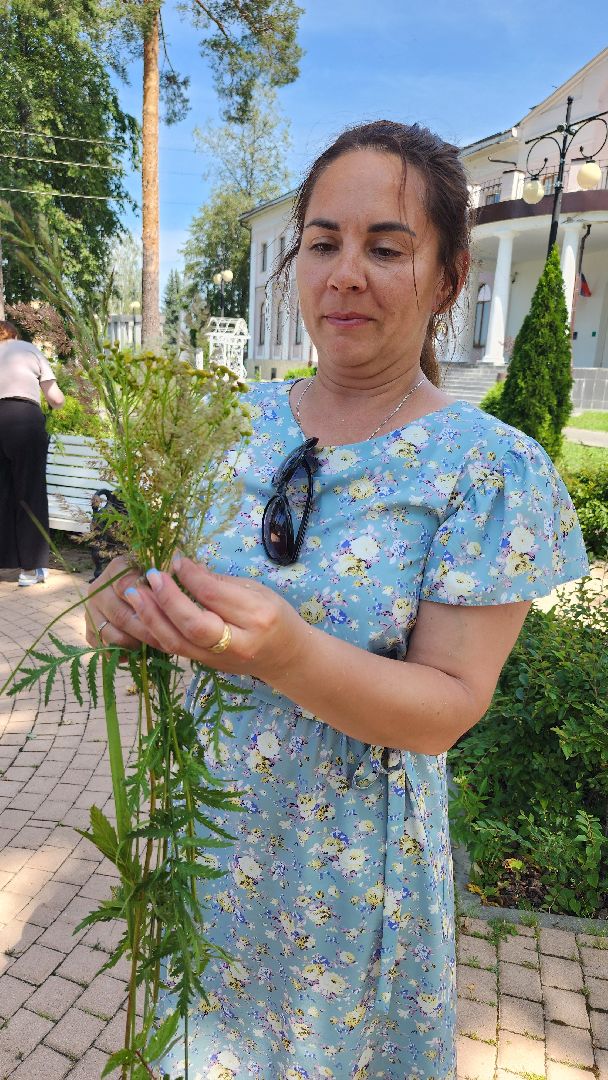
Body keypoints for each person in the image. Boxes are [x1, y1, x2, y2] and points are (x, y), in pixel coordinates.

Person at [85, 122, 589, 1079]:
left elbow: (448, 709)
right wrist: (121, 603)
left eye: (386, 247)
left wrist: (287, 654)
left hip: (348, 884)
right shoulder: (226, 422)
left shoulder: (485, 469)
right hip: (202, 850)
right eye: (323, 242)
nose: (345, 273)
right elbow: (131, 566)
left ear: (448, 281)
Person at [0, 320, 65, 586]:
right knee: (30, 491)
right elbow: (56, 399)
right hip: (25, 419)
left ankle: (5, 560)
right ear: (15, 336)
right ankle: (32, 567)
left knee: (2, 492)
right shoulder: (29, 351)